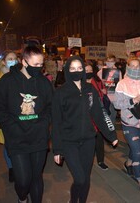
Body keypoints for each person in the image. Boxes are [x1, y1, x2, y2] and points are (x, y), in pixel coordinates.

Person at [51, 56, 118, 203]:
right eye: (73, 68)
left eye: (79, 68)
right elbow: (56, 122)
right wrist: (57, 148)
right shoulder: (60, 93)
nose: (77, 71)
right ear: (67, 70)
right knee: (79, 178)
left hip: (88, 140)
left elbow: (98, 114)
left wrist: (111, 135)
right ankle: (74, 199)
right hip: (69, 142)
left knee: (85, 178)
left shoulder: (90, 89)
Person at [0, 46, 53, 203]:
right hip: (17, 139)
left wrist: (44, 123)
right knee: (23, 181)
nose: (39, 68)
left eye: (41, 65)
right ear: (24, 62)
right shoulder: (6, 82)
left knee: (36, 177)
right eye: (35, 65)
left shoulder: (44, 83)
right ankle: (22, 198)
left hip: (38, 138)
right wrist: (9, 126)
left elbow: (51, 106)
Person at [114, 57, 140, 196]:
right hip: (129, 122)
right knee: (138, 152)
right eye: (132, 66)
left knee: (136, 148)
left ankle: (129, 163)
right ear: (128, 67)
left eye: (137, 66)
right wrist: (132, 100)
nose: (135, 68)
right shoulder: (121, 84)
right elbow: (117, 104)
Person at [0, 50, 19, 183]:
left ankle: (17, 166)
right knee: (8, 143)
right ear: (4, 61)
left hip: (16, 117)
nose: (14, 61)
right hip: (3, 117)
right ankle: (12, 169)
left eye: (15, 58)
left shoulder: (18, 75)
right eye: (10, 58)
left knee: (15, 142)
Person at [85, 64, 109, 170]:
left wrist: (104, 92)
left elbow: (102, 93)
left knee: (99, 139)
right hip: (85, 116)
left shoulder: (97, 80)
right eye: (86, 70)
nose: (89, 72)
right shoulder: (79, 83)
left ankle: (100, 160)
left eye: (90, 70)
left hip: (97, 113)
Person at [97, 55, 122, 125]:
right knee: (105, 114)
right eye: (108, 61)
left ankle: (112, 130)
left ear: (114, 62)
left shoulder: (118, 71)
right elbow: (97, 78)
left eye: (111, 61)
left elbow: (120, 83)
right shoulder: (103, 70)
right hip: (105, 95)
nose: (110, 63)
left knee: (112, 114)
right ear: (106, 62)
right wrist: (102, 81)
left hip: (114, 96)